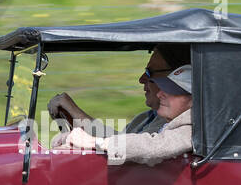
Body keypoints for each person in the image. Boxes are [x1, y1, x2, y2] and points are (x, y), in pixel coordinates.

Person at [47, 44, 190, 143]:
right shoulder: (146, 118)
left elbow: (141, 148)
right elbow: (119, 140)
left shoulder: (182, 125)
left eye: (150, 73)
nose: (141, 79)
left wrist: (93, 143)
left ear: (178, 80)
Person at [59, 65, 194, 166]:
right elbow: (127, 139)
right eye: (163, 88)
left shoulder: (194, 125)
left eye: (172, 91)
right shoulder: (151, 118)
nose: (160, 94)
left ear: (194, 99)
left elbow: (155, 146)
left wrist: (93, 142)